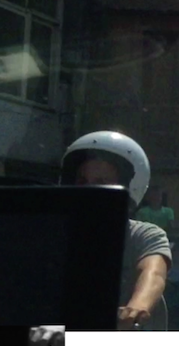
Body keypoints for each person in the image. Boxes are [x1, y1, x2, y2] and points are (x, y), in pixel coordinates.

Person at [60, 131, 170, 331]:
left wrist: (136, 308)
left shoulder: (144, 235)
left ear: (128, 186)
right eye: (83, 181)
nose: (90, 189)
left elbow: (154, 273)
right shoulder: (57, 237)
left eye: (102, 182)